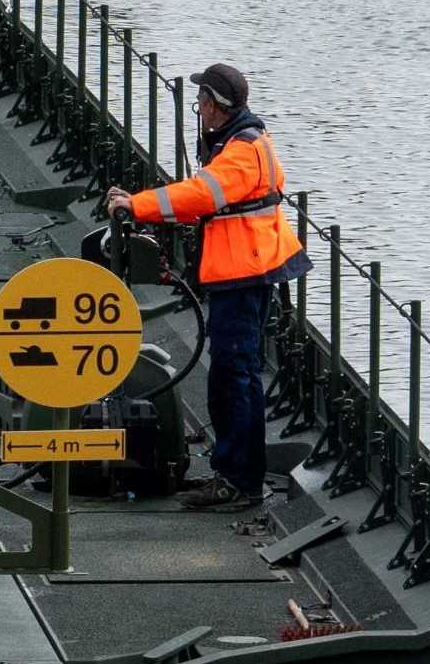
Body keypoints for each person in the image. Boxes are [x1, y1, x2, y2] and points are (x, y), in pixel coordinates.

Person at [109, 62, 307, 516]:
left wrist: (135, 206)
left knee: (233, 379)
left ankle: (239, 481)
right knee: (237, 376)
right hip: (248, 271)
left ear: (216, 108)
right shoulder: (242, 141)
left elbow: (200, 195)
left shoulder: (240, 153)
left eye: (201, 102)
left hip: (242, 275)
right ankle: (236, 473)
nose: (197, 107)